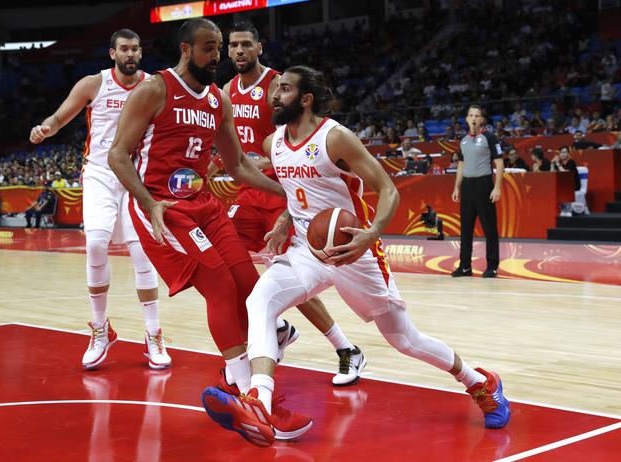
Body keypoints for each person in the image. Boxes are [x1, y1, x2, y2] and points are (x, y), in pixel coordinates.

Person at [201, 66, 510, 447]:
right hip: (308, 251)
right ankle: (259, 401)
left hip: (354, 251)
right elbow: (295, 188)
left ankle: (481, 383)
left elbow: (388, 189)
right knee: (260, 300)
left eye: (283, 90)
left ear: (305, 98)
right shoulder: (274, 142)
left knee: (404, 339)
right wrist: (284, 220)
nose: (274, 96)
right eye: (275, 89)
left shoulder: (336, 138)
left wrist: (371, 235)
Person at [107, 18, 311, 437]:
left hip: (206, 206)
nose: (217, 55)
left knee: (250, 289)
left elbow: (235, 165)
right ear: (185, 49)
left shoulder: (219, 99)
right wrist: (149, 203)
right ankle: (248, 394)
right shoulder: (155, 89)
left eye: (218, 47)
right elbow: (117, 156)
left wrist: (286, 191)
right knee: (218, 287)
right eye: (208, 48)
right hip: (164, 209)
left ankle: (250, 377)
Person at [209, 20, 364, 386]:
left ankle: (345, 348)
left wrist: (274, 166)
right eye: (234, 46)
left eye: (247, 44)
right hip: (249, 193)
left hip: (290, 194)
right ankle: (275, 329)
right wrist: (215, 162)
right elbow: (232, 143)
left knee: (292, 279)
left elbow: (306, 134)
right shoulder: (227, 89)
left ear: (260, 47)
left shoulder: (278, 87)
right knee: (221, 262)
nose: (239, 51)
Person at [29, 28, 172, 370]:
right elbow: (61, 116)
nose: (131, 55)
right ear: (112, 53)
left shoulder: (154, 85)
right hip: (99, 174)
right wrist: (45, 128)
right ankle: (100, 329)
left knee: (142, 252)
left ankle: (153, 334)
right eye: (124, 49)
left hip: (137, 176)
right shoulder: (93, 84)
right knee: (95, 245)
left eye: (135, 49)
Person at [451, 105, 504, 278]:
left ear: (482, 120)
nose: (474, 118)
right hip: (467, 187)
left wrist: (496, 188)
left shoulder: (490, 137)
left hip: (484, 185)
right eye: (471, 115)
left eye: (477, 116)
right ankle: (465, 266)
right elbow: (461, 164)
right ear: (466, 119)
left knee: (489, 229)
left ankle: (492, 266)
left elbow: (500, 163)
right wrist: (457, 187)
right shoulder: (463, 140)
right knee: (466, 228)